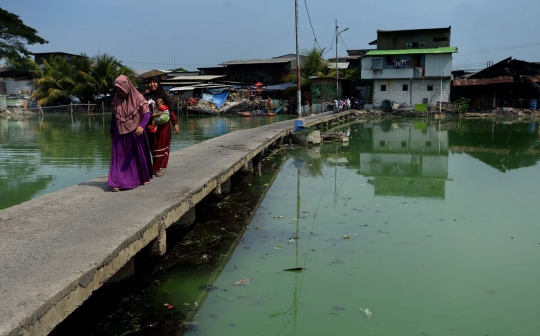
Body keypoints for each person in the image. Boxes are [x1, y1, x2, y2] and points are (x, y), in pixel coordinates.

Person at [107, 75, 153, 191]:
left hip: (135, 131)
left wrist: (142, 126)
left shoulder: (138, 96)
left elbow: (147, 114)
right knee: (118, 158)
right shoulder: (116, 99)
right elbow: (114, 116)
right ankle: (116, 182)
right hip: (119, 131)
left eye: (121, 90)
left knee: (136, 156)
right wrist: (112, 131)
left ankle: (141, 177)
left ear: (127, 87)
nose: (119, 92)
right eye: (117, 90)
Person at [147, 76, 179, 177]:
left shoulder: (164, 97)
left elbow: (170, 111)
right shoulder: (146, 97)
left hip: (164, 127)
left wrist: (175, 124)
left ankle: (157, 168)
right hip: (150, 124)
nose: (152, 84)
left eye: (154, 82)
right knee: (153, 146)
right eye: (150, 82)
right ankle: (153, 166)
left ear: (158, 83)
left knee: (161, 146)